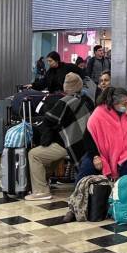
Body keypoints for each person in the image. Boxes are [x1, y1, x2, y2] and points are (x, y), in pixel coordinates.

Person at [25, 73, 96, 201]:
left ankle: (41, 192)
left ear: (65, 87)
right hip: (87, 145)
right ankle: (45, 182)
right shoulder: (88, 100)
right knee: (52, 151)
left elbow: (49, 120)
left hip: (70, 145)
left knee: (34, 154)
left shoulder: (65, 102)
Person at [75, 87, 127, 180]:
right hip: (102, 153)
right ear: (114, 103)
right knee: (87, 168)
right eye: (125, 103)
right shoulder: (99, 113)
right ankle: (80, 189)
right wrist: (95, 156)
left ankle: (123, 188)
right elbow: (88, 138)